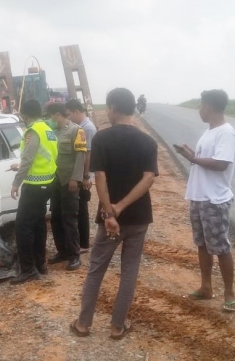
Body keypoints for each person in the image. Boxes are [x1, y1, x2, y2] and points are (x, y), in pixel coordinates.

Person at [71, 88, 158, 340]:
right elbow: (149, 178)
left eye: (107, 108)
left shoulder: (102, 138)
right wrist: (121, 207)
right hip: (139, 217)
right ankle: (117, 326)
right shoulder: (148, 142)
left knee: (96, 269)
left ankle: (83, 324)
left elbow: (100, 176)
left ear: (112, 108)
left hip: (109, 221)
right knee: (129, 272)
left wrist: (111, 212)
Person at [174, 89, 235, 313]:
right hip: (199, 196)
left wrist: (193, 158)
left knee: (220, 247)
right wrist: (192, 155)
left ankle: (229, 293)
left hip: (214, 199)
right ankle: (206, 287)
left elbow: (221, 163)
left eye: (201, 105)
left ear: (209, 107)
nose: (199, 110)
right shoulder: (209, 132)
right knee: (202, 244)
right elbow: (206, 161)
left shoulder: (226, 132)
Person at [9, 99, 59, 285]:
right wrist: (21, 166)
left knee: (23, 226)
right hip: (47, 183)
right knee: (38, 224)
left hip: (34, 186)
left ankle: (28, 269)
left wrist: (16, 183)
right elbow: (44, 157)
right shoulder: (47, 130)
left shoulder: (32, 131)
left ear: (25, 115)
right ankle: (40, 265)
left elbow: (29, 159)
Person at [45, 103, 87, 270]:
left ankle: (74, 255)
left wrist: (75, 179)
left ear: (56, 115)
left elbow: (80, 156)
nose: (49, 119)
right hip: (54, 180)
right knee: (56, 218)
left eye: (50, 116)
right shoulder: (52, 132)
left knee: (70, 219)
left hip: (69, 181)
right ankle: (62, 251)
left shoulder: (76, 131)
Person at [65, 98, 98, 252]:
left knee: (82, 209)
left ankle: (84, 244)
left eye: (70, 114)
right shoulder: (81, 127)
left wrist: (86, 176)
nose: (69, 117)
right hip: (81, 174)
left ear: (77, 111)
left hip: (83, 175)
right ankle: (81, 242)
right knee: (79, 208)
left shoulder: (87, 128)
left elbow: (88, 154)